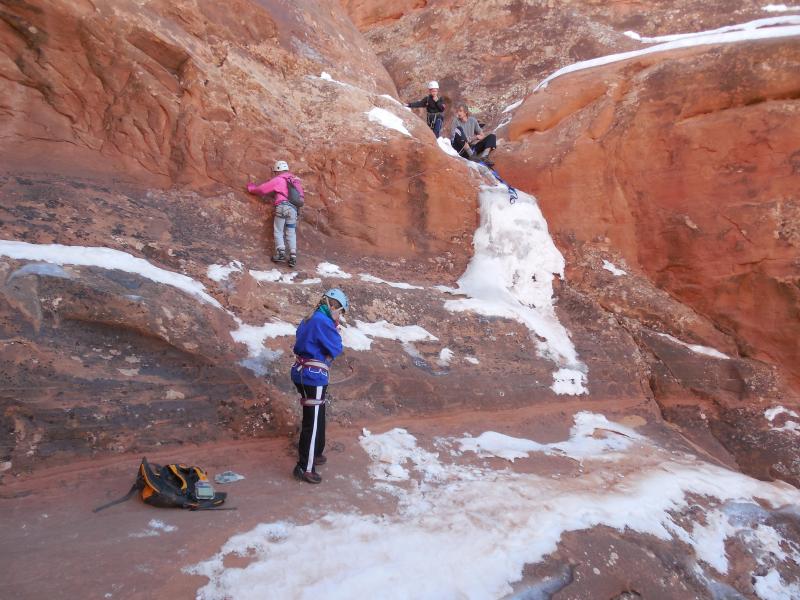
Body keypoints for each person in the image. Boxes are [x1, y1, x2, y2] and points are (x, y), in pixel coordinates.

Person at [290, 288, 349, 484]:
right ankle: (304, 467)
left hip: (304, 372)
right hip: (312, 376)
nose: (339, 315)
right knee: (312, 422)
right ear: (333, 306)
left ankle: (315, 452)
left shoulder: (310, 318)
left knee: (317, 413)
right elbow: (336, 347)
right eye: (340, 311)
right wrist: (334, 332)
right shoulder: (322, 321)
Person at [246, 160, 304, 268]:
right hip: (293, 210)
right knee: (291, 232)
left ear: (277, 171)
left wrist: (252, 188)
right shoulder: (295, 181)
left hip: (282, 207)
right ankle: (293, 256)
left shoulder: (279, 180)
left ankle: (281, 253)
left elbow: (263, 189)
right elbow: (300, 197)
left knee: (278, 230)